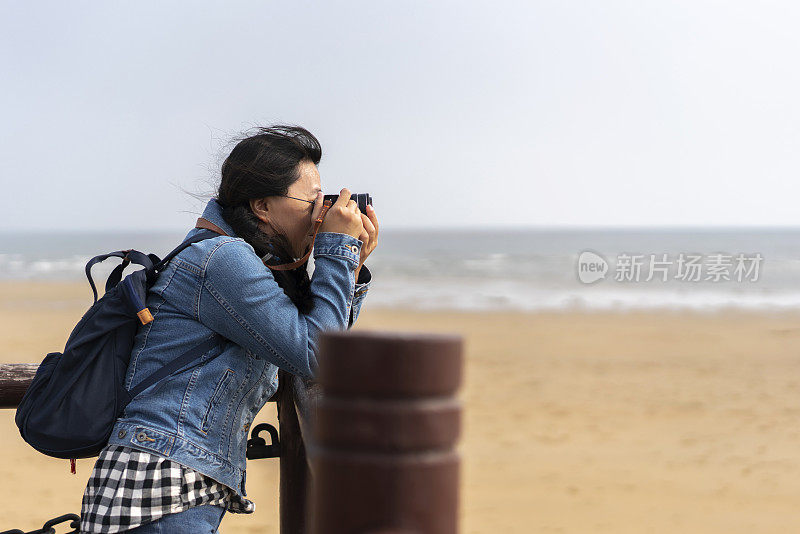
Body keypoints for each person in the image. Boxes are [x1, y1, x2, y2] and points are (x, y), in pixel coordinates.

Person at [79, 125, 379, 533]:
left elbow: (312, 341)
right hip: (159, 488)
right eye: (312, 201)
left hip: (171, 483)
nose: (321, 213)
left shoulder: (247, 262)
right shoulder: (222, 259)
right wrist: (337, 252)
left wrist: (353, 266)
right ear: (262, 206)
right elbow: (318, 355)